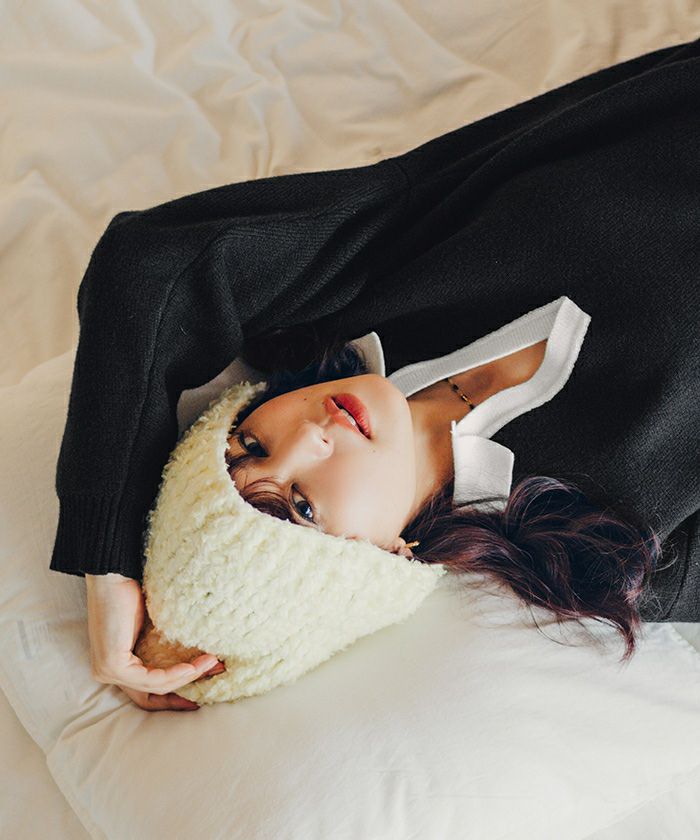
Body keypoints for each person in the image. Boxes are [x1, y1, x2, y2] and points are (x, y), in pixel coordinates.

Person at [52, 36, 700, 711]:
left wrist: (104, 551)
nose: (310, 436)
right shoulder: (599, 552)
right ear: (380, 559)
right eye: (303, 506)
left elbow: (144, 265)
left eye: (250, 443)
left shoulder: (353, 293)